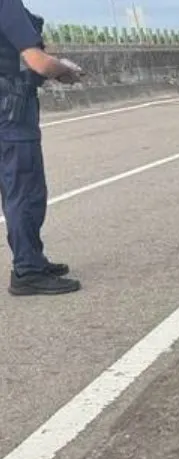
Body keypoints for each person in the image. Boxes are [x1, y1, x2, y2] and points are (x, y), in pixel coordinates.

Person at [0, 0, 82, 296]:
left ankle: (32, 259)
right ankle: (28, 271)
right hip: (12, 112)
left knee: (16, 190)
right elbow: (37, 61)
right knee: (25, 191)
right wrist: (64, 69)